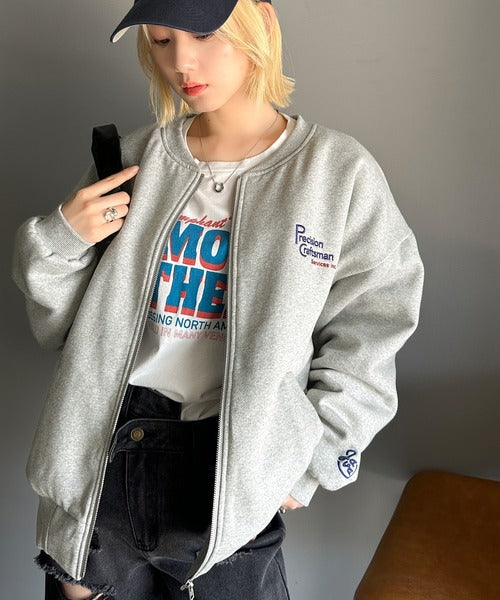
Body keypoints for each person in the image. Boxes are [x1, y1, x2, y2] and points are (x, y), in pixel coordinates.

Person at [12, 0, 424, 599]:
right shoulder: (130, 160)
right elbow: (59, 329)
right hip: (106, 458)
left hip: (232, 461)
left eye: (204, 34)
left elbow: (376, 322)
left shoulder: (336, 173)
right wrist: (59, 240)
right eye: (161, 40)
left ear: (261, 22)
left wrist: (316, 459)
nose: (182, 61)